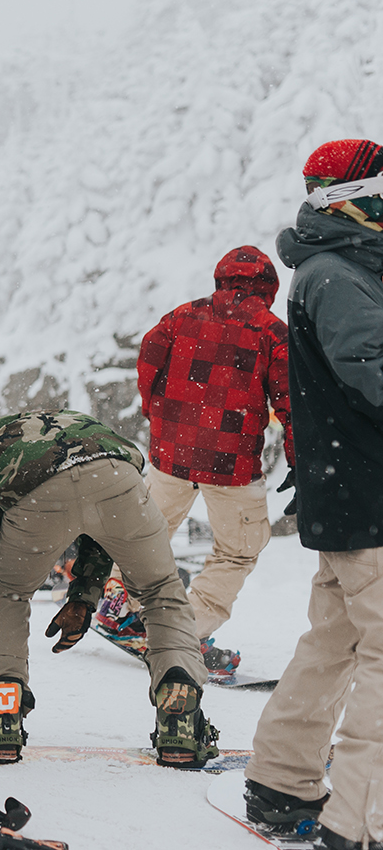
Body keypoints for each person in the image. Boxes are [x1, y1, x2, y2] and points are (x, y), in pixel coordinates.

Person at [0, 409, 220, 771]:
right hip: (118, 476)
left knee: (11, 595)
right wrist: (83, 596)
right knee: (160, 591)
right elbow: (94, 516)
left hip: (37, 495)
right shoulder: (46, 427)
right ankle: (180, 713)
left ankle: (0, 716)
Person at [242, 139, 383, 850]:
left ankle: (281, 778)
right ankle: (358, 821)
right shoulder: (337, 277)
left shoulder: (341, 269)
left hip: (352, 496)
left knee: (335, 642)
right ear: (355, 198)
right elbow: (373, 372)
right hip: (371, 498)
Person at [121, 244, 295, 675]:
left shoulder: (182, 316)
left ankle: (119, 602)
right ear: (269, 289)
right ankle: (186, 632)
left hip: (170, 454)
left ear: (220, 280)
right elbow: (292, 404)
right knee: (237, 552)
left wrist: (156, 415)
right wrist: (300, 460)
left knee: (147, 535)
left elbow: (148, 360)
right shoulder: (273, 333)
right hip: (231, 466)